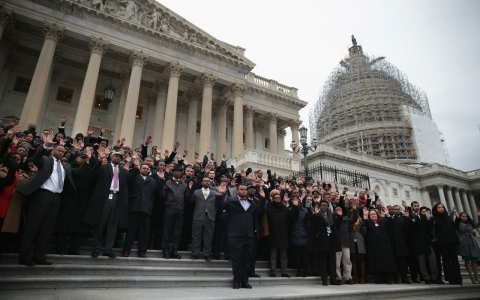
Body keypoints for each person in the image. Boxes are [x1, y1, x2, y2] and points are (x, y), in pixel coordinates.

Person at [17, 133, 78, 266]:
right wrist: (45, 145)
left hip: (56, 198)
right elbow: (36, 158)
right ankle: (25, 256)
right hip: (43, 195)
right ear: (53, 151)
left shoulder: (65, 166)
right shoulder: (45, 160)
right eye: (59, 150)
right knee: (33, 226)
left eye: (63, 151)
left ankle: (39, 256)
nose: (61, 153)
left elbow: (78, 172)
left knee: (48, 228)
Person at [84, 151, 139, 258]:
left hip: (117, 198)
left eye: (120, 157)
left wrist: (136, 168)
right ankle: (96, 248)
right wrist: (99, 160)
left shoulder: (124, 171)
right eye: (116, 156)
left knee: (112, 226)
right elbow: (93, 175)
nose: (118, 158)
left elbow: (130, 182)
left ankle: (108, 249)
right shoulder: (104, 167)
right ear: (111, 157)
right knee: (100, 225)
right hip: (105, 198)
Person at [217, 182, 265, 289]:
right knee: (237, 260)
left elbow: (260, 210)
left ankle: (245, 281)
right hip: (236, 235)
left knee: (247, 260)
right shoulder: (231, 201)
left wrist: (262, 198)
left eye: (245, 189)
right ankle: (237, 281)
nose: (244, 191)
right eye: (241, 189)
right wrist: (220, 194)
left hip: (249, 236)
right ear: (237, 191)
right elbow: (219, 207)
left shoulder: (251, 203)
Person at [158, 163, 194, 259]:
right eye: (176, 171)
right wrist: (161, 181)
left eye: (180, 171)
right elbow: (162, 195)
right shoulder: (168, 182)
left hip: (180, 209)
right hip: (170, 208)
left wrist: (190, 190)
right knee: (167, 230)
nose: (178, 173)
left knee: (178, 231)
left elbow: (188, 199)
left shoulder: (184, 185)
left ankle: (174, 250)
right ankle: (165, 249)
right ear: (173, 172)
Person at [310, 199, 342, 286]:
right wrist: (315, 214)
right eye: (322, 205)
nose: (324, 207)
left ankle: (333, 279)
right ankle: (324, 279)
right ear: (320, 206)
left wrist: (339, 217)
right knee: (323, 260)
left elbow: (337, 225)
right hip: (322, 239)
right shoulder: (318, 215)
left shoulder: (331, 214)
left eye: (326, 205)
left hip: (331, 239)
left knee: (332, 260)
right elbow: (313, 225)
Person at [189, 176, 221, 261]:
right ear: (201, 182)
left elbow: (219, 204)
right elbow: (190, 201)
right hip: (198, 216)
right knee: (196, 236)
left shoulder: (215, 193)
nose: (207, 182)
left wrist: (221, 194)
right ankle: (195, 253)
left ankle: (207, 254)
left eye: (208, 181)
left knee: (209, 236)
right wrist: (190, 190)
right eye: (205, 181)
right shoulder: (196, 192)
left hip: (210, 216)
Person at [362, 206, 396, 284]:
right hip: (373, 246)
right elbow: (363, 226)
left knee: (386, 262)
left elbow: (391, 224)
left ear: (377, 214)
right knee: (376, 262)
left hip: (385, 245)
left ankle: (388, 278)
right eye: (371, 215)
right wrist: (365, 216)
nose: (373, 215)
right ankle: (378, 278)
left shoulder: (383, 221)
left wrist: (387, 215)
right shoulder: (368, 222)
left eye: (374, 214)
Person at [432, 203, 462, 285]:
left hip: (452, 240)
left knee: (455, 260)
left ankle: (458, 279)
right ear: (436, 209)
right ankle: (450, 278)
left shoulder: (448, 217)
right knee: (446, 260)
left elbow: (455, 227)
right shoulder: (434, 218)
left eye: (442, 207)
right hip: (442, 242)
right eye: (439, 207)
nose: (441, 209)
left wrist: (458, 218)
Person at [265, 189, 290, 278]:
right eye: (276, 198)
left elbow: (291, 217)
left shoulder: (285, 209)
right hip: (273, 233)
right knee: (273, 254)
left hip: (283, 233)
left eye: (279, 198)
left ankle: (284, 271)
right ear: (272, 199)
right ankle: (273, 271)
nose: (278, 199)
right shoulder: (269, 209)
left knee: (283, 255)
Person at [452, 208, 480, 284]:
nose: (465, 218)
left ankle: (477, 277)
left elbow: (478, 224)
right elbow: (454, 225)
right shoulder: (459, 224)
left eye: (466, 216)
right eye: (463, 216)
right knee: (467, 260)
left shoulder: (470, 224)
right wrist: (455, 214)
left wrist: (478, 216)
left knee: (474, 261)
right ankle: (472, 277)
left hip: (472, 242)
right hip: (463, 242)